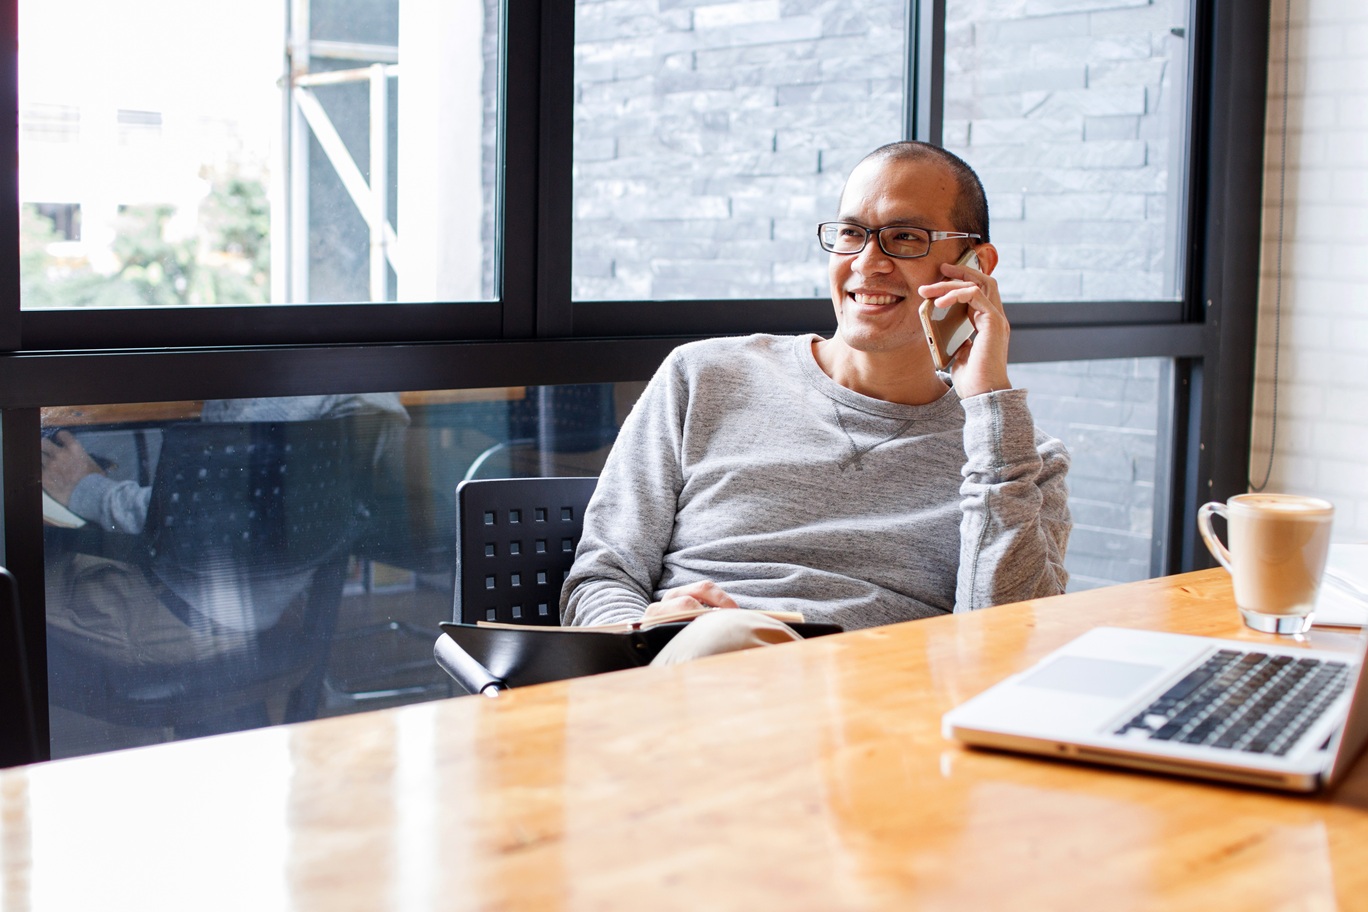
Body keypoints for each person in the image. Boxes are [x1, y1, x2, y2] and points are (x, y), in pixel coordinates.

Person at [560, 141, 1071, 661]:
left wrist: (990, 404)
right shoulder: (704, 376)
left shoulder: (1017, 460)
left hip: (873, 711)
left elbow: (1003, 650)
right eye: (851, 234)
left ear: (975, 265)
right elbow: (601, 578)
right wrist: (643, 628)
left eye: (905, 238)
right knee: (722, 641)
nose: (868, 264)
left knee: (730, 642)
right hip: (674, 680)